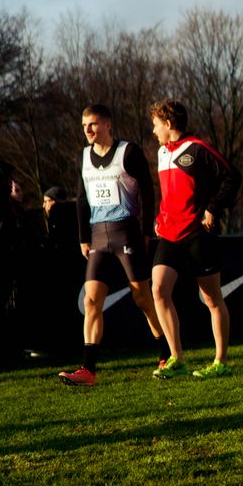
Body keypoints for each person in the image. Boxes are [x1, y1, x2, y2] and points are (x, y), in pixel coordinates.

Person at [59, 102, 164, 386]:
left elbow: (147, 191)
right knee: (91, 300)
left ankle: (165, 352)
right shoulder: (84, 156)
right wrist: (83, 236)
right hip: (98, 236)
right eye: (84, 126)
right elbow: (81, 198)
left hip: (126, 232)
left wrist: (145, 230)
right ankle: (88, 369)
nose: (88, 130)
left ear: (107, 124)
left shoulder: (127, 152)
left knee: (142, 298)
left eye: (92, 124)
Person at [148, 99, 240, 380]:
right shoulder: (162, 152)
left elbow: (232, 177)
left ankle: (220, 361)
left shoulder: (198, 148)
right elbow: (169, 194)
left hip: (198, 233)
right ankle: (176, 358)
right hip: (170, 235)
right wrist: (159, 217)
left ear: (168, 124)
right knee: (158, 289)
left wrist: (212, 208)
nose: (153, 131)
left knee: (212, 299)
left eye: (155, 125)